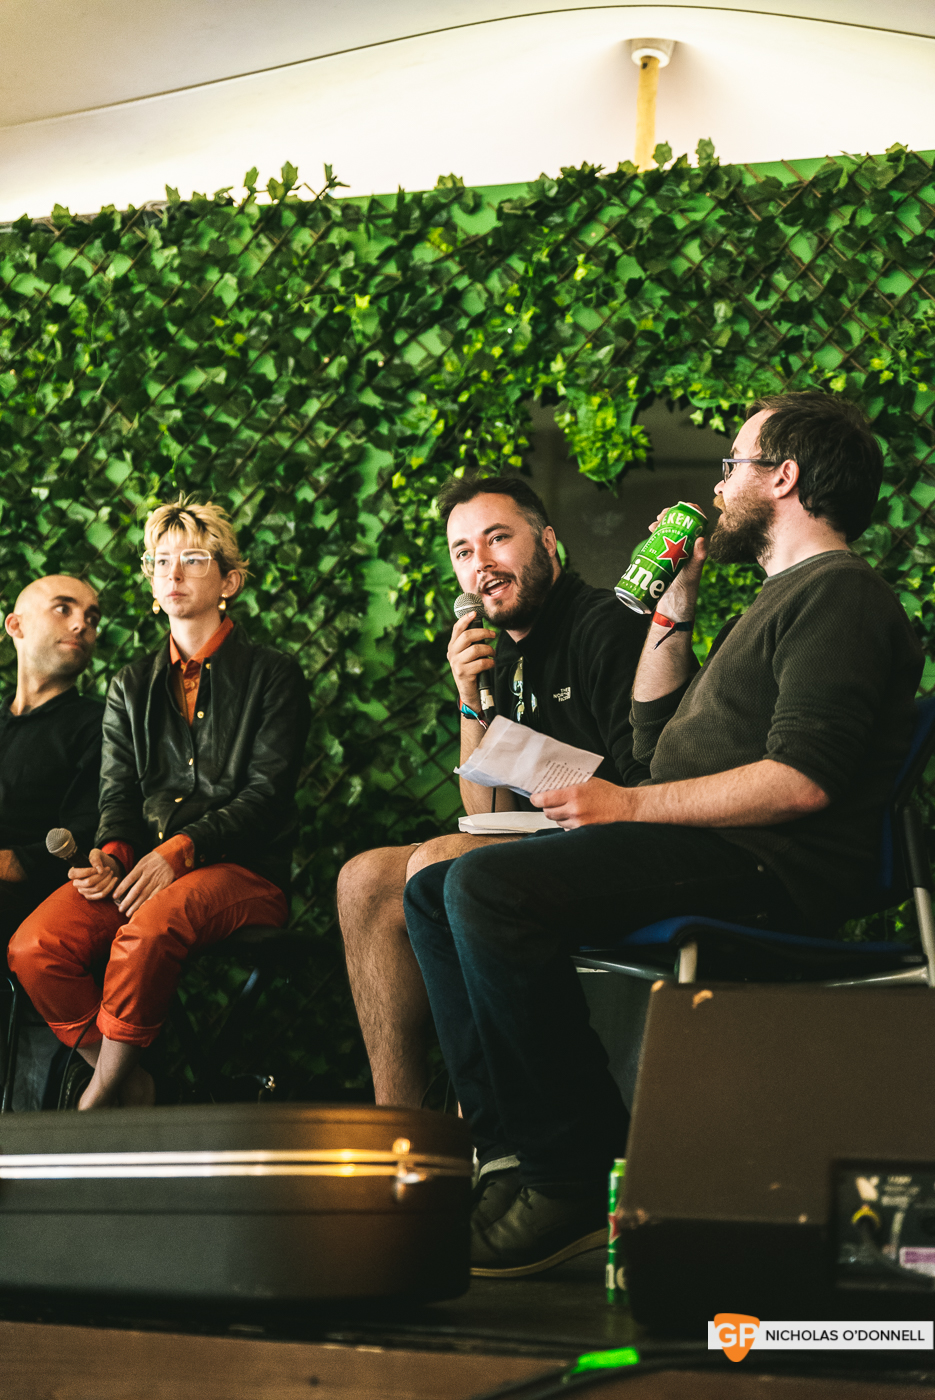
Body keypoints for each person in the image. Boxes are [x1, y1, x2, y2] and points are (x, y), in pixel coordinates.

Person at [403, 392, 924, 1277]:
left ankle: (575, 1178)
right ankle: (513, 1159)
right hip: (700, 846)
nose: (718, 485)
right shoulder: (774, 598)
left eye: (731, 464)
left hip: (762, 865)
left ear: (783, 477)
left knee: (485, 887)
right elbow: (651, 741)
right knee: (429, 891)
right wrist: (674, 604)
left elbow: (801, 782)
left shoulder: (841, 595)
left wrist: (627, 807)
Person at [337, 475, 649, 1107]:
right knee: (363, 879)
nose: (480, 563)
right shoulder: (499, 656)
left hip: (611, 856)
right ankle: (398, 1123)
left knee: (433, 862)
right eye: (461, 551)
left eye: (497, 538)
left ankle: (496, 1122)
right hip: (531, 850)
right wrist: (469, 699)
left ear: (549, 542)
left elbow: (647, 783)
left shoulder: (605, 627)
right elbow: (484, 812)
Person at [9, 497, 310, 1109]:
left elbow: (266, 797)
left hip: (245, 870)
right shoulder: (128, 682)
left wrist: (180, 850)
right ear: (150, 581)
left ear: (228, 580)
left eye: (193, 559)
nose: (173, 572)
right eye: (161, 560)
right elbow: (116, 796)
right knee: (34, 947)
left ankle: (98, 1097)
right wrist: (112, 857)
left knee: (147, 931)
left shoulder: (274, 674)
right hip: (146, 868)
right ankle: (131, 1080)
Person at [0, 575, 102, 942]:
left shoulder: (100, 726)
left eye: (92, 618)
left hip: (33, 915)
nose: (82, 625)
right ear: (16, 625)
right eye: (63, 608)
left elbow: (86, 840)